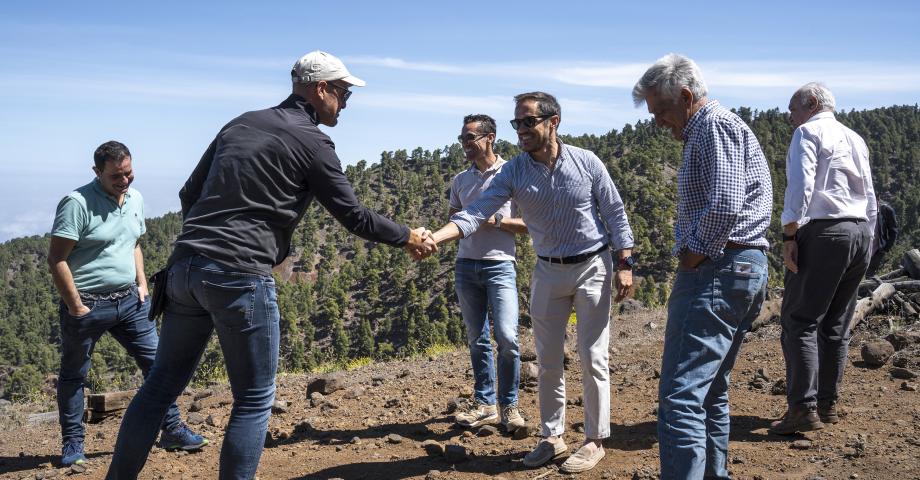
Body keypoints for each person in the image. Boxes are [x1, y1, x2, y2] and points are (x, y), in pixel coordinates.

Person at [106, 51, 436, 479]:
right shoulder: (312, 141)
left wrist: (211, 240)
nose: (346, 101)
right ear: (320, 89)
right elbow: (354, 216)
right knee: (254, 398)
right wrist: (408, 235)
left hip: (185, 268)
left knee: (159, 387)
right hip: (239, 275)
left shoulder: (240, 123)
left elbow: (190, 192)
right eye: (343, 91)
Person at [428, 92, 635, 474]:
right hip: (547, 270)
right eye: (516, 123)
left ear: (553, 121)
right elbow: (476, 212)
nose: (521, 130)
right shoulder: (515, 171)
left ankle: (593, 440)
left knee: (592, 356)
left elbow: (615, 211)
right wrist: (435, 239)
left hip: (593, 265)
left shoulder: (587, 162)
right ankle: (552, 436)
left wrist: (625, 262)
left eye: (528, 122)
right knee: (547, 359)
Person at [632, 53, 772, 479]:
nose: (658, 122)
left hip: (717, 268)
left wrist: (693, 255)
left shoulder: (712, 124)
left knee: (680, 396)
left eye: (661, 110)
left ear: (687, 95)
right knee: (711, 391)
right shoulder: (716, 126)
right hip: (741, 268)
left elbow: (726, 204)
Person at [47, 141, 207, 467]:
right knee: (74, 375)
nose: (124, 181)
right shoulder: (76, 203)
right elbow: (57, 259)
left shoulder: (135, 198)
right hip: (88, 305)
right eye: (116, 176)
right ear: (97, 172)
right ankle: (73, 446)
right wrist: (76, 305)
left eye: (129, 172)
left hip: (130, 302)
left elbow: (133, 242)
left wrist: (143, 283)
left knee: (159, 366)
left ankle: (172, 429)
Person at [770, 82, 876, 435]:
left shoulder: (807, 132)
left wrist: (789, 233)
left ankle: (803, 408)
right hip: (860, 231)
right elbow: (870, 195)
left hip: (825, 231)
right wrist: (868, 239)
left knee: (800, 319)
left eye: (793, 108)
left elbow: (800, 186)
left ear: (812, 103)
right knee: (835, 324)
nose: (790, 117)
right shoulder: (854, 138)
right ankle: (827, 405)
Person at [449, 114, 529, 432]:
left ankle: (509, 406)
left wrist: (493, 220)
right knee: (477, 340)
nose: (464, 144)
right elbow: (455, 221)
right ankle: (485, 405)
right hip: (466, 265)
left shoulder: (512, 173)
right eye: (462, 139)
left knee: (508, 338)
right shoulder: (460, 181)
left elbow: (528, 225)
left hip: (500, 265)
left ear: (489, 138)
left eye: (469, 138)